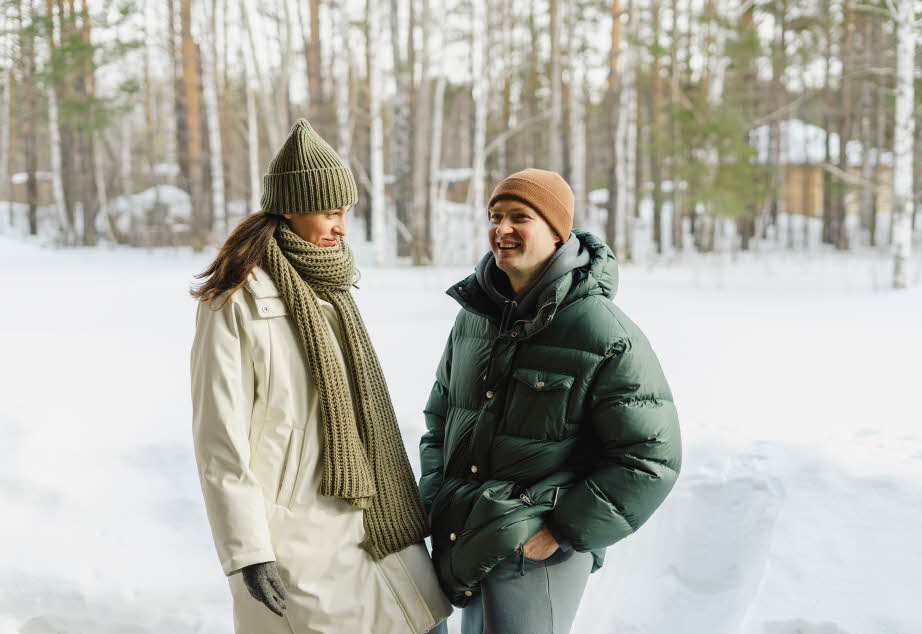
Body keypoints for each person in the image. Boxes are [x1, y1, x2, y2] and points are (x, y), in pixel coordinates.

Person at [190, 119, 451, 634]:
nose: (342, 228)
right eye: (330, 212)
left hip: (372, 516)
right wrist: (248, 550)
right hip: (296, 535)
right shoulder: (236, 300)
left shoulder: (332, 287)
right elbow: (218, 439)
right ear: (291, 207)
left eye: (345, 212)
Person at [419, 168, 682, 634]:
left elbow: (651, 457)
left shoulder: (601, 331)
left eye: (520, 217)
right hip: (465, 534)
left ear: (558, 232)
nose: (502, 229)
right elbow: (440, 420)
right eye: (495, 216)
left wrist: (562, 529)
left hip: (535, 550)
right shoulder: (474, 320)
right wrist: (440, 494)